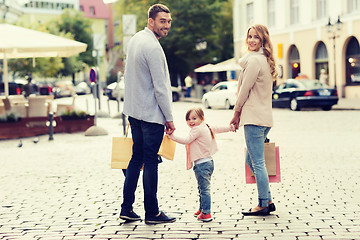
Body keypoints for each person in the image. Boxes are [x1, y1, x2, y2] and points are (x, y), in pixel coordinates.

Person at [120, 3, 176, 224]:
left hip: (134, 111)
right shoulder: (152, 47)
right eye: (162, 21)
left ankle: (126, 208)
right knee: (151, 161)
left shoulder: (135, 39)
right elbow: (160, 87)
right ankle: (152, 212)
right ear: (151, 21)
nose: (167, 26)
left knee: (136, 158)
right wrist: (169, 118)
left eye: (169, 21)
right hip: (150, 115)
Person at [230, 24, 278, 216]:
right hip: (264, 118)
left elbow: (244, 91)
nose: (251, 40)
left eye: (256, 37)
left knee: (257, 162)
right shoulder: (265, 60)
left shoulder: (254, 62)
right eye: (249, 36)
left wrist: (236, 113)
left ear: (263, 40)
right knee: (251, 159)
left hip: (254, 118)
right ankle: (268, 198)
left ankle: (263, 203)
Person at [168, 107, 235, 222]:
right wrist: (230, 128)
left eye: (194, 118)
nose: (191, 121)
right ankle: (202, 208)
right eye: (188, 119)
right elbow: (219, 128)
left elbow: (186, 140)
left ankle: (206, 213)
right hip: (208, 162)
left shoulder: (197, 130)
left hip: (201, 164)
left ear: (202, 118)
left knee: (204, 190)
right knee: (201, 188)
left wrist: (171, 136)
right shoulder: (206, 127)